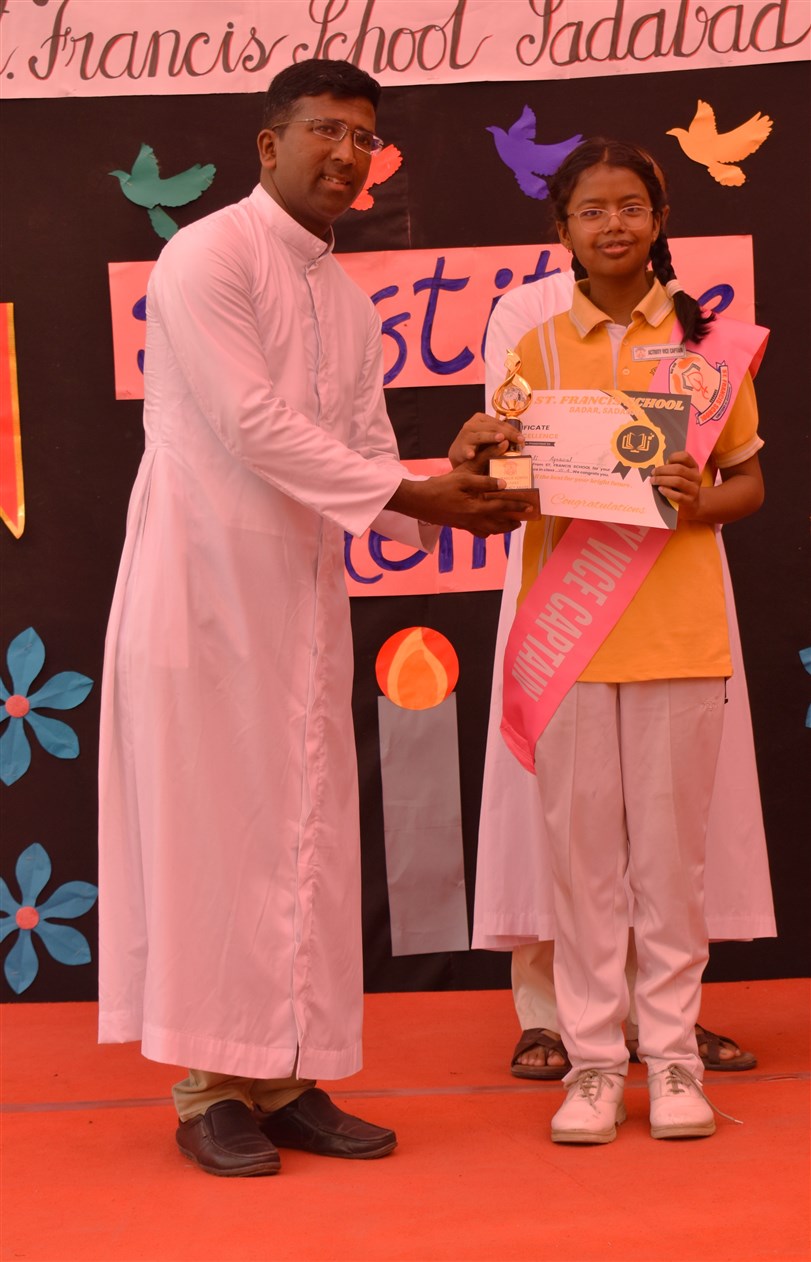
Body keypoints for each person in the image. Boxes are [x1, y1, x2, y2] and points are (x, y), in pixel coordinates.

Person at [97, 58, 537, 1179]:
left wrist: (456, 480)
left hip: (298, 597)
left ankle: (283, 1076)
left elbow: (368, 454)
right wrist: (418, 497)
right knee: (213, 833)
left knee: (301, 831)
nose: (347, 155)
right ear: (269, 142)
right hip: (200, 589)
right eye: (325, 131)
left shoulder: (345, 299)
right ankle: (207, 1089)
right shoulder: (206, 255)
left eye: (363, 138)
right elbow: (250, 422)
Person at [455, 137, 766, 1144]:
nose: (613, 225)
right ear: (562, 231)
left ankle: (671, 1060)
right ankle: (593, 1065)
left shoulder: (705, 346)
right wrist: (481, 456)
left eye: (630, 206)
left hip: (678, 633)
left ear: (659, 219)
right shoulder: (534, 351)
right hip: (570, 644)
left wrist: (698, 500)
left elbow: (747, 482)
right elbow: (506, 491)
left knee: (670, 869)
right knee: (581, 865)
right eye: (591, 210)